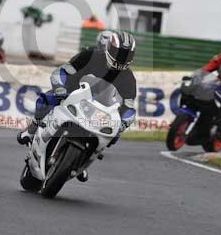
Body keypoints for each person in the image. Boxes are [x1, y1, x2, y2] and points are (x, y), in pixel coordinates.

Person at [17, 31, 137, 180]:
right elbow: (62, 71)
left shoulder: (129, 78)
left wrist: (123, 123)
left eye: (126, 55)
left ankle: (82, 161)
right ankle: (31, 129)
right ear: (109, 48)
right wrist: (60, 87)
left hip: (100, 111)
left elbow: (129, 107)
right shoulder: (90, 56)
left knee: (114, 134)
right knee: (48, 98)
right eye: (119, 53)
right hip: (72, 95)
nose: (121, 58)